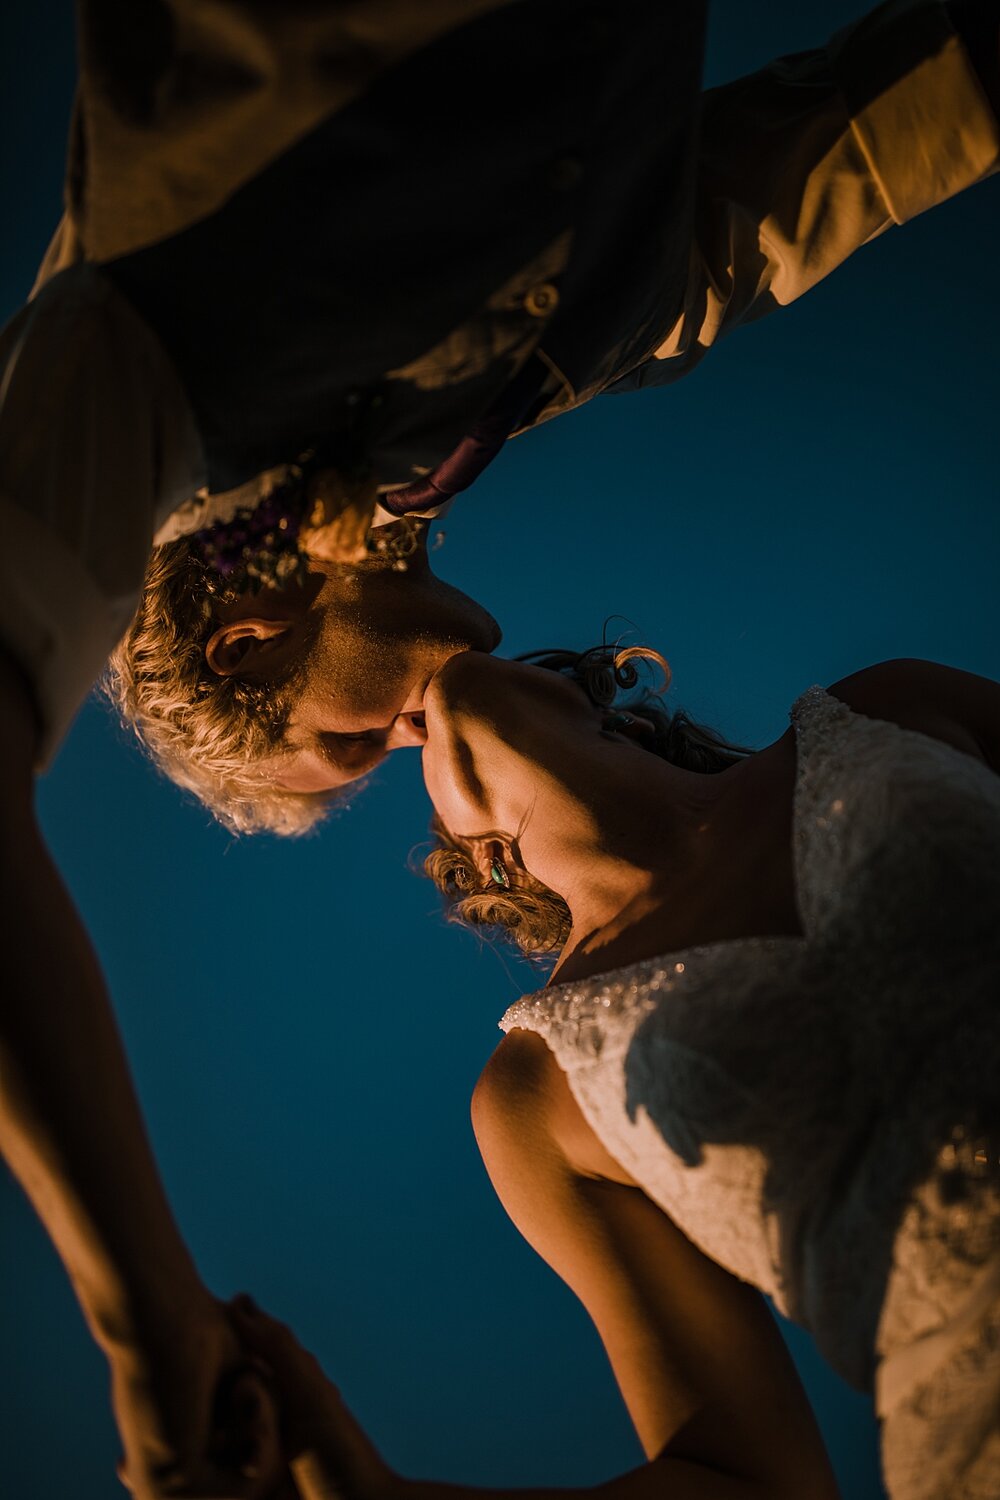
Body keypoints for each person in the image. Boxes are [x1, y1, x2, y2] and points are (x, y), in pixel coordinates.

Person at [1, 1, 997, 1491]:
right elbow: (879, 130)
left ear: (246, 644)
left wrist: (145, 1323)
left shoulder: (154, 352)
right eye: (399, 772)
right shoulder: (591, 325)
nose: (412, 746)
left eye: (354, 744)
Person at [227, 649, 999, 1499]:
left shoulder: (883, 708)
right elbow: (747, 1480)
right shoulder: (534, 1097)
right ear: (482, 862)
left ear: (609, 711)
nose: (421, 718)